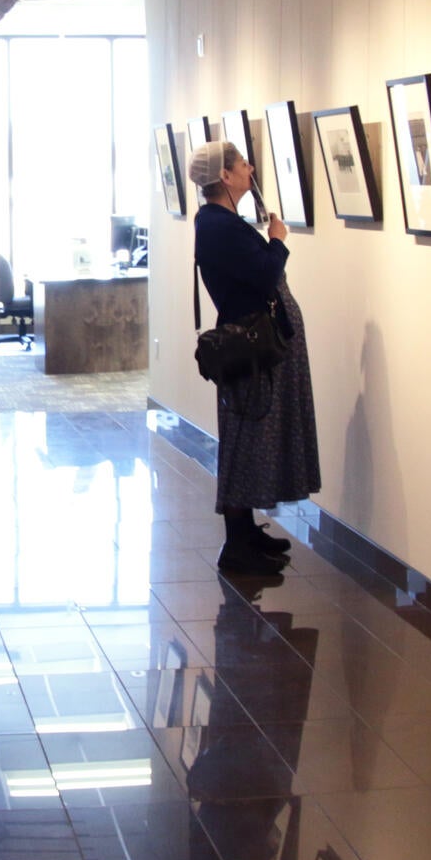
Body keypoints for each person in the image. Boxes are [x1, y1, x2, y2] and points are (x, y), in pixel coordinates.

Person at [189, 138, 318, 574]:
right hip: (249, 345)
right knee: (249, 436)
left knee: (253, 434)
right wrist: (278, 241)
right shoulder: (218, 225)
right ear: (224, 176)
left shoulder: (220, 221)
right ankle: (236, 544)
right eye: (243, 163)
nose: (250, 168)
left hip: (256, 342)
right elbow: (265, 273)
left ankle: (244, 533)